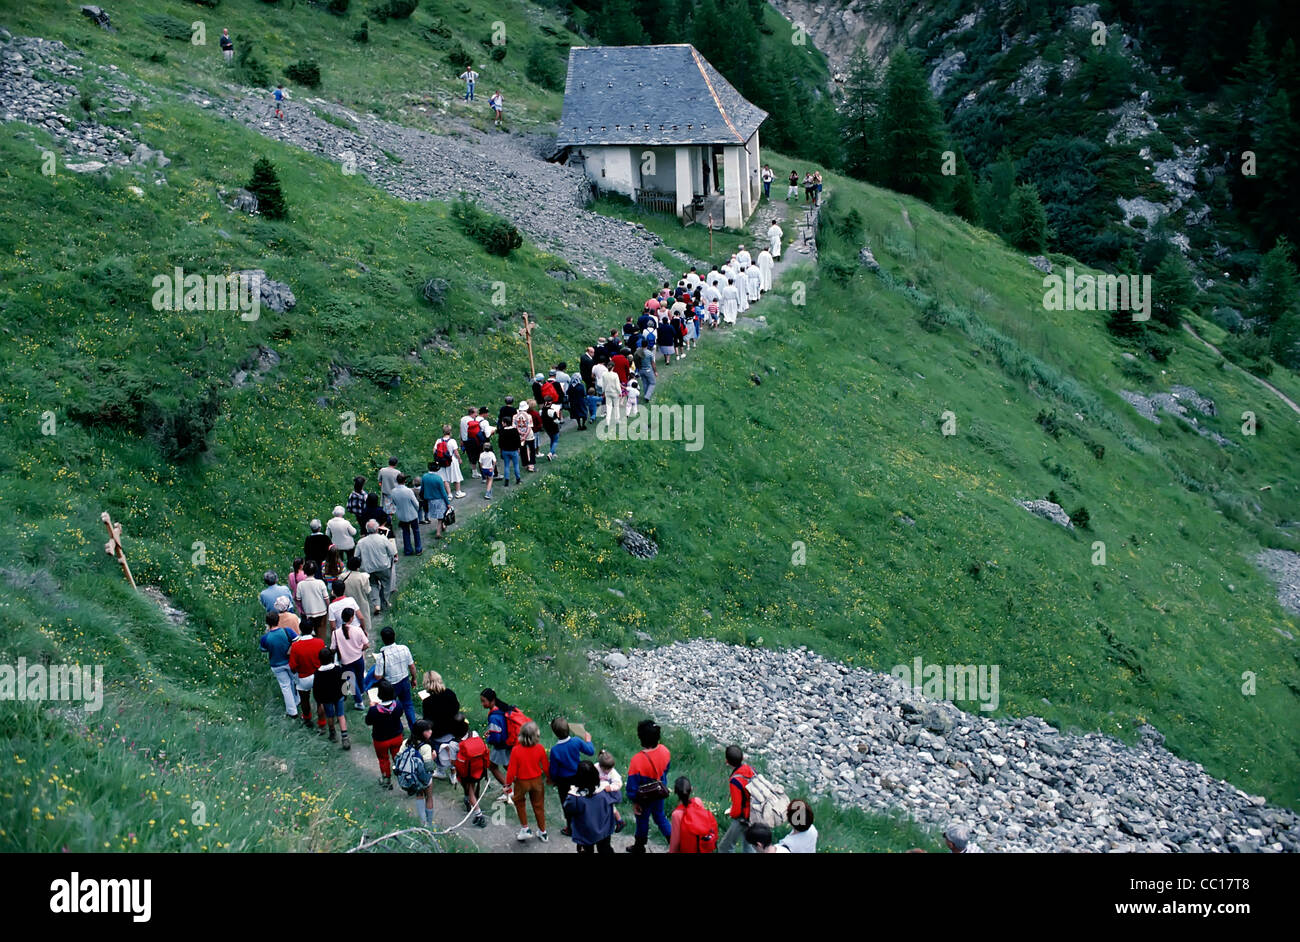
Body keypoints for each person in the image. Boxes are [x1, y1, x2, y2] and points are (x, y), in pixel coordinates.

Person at [625, 719, 671, 853]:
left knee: (642, 820)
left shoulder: (637, 760)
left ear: (641, 738)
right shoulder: (665, 751)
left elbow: (632, 787)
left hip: (644, 797)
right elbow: (666, 770)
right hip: (659, 791)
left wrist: (635, 801)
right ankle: (675, 843)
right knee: (660, 817)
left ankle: (639, 847)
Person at [549, 717, 594, 836]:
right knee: (580, 800)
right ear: (569, 729)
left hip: (563, 782)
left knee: (566, 804)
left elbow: (553, 770)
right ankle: (584, 824)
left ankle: (570, 828)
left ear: (554, 732)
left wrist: (553, 780)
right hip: (578, 777)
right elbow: (590, 751)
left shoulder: (555, 750)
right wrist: (588, 740)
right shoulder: (576, 741)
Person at [506, 721, 549, 842]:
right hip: (537, 781)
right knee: (539, 806)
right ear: (537, 736)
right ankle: (543, 832)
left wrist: (507, 785)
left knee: (520, 803)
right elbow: (546, 766)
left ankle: (525, 829)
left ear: (521, 735)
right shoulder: (540, 748)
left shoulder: (516, 750)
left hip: (521, 782)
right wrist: (550, 778)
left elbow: (511, 771)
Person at [563, 760, 618, 853]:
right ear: (596, 774)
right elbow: (618, 798)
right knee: (605, 849)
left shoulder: (574, 797)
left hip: (585, 831)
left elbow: (568, 809)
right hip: (604, 828)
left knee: (586, 851)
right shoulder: (606, 788)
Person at [396, 720, 438, 825]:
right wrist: (433, 758)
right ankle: (429, 822)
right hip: (424, 778)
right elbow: (429, 768)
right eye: (427, 730)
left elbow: (397, 758)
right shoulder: (426, 747)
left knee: (419, 795)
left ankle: (422, 822)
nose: (430, 731)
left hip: (412, 777)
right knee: (429, 797)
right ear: (421, 732)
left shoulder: (406, 742)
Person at [450, 714, 489, 827]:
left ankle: (478, 814)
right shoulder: (474, 734)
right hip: (479, 768)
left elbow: (453, 763)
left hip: (465, 772)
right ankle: (470, 799)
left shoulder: (453, 744)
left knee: (469, 789)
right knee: (473, 786)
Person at [365, 680, 405, 790]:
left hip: (381, 739)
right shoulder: (398, 705)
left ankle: (386, 780)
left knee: (383, 759)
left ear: (379, 694)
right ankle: (404, 776)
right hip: (396, 736)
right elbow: (400, 714)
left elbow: (368, 722)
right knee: (398, 757)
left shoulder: (374, 710)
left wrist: (371, 707)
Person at [259, 611, 299, 719]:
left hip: (276, 664)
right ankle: (298, 700)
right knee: (296, 681)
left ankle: (292, 711)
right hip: (290, 662)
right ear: (278, 620)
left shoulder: (265, 638)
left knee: (285, 686)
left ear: (267, 623)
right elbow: (297, 641)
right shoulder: (287, 631)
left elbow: (264, 649)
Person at [376, 626, 417, 730]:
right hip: (404, 680)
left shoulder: (382, 656)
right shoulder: (404, 648)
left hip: (390, 686)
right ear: (394, 636)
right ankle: (414, 729)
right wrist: (414, 678)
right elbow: (412, 666)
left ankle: (398, 728)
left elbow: (378, 676)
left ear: (383, 639)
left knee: (391, 707)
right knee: (408, 705)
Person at [287, 620, 326, 731]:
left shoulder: (295, 646)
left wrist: (296, 673)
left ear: (300, 630)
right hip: (318, 675)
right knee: (320, 701)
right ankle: (322, 723)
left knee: (305, 700)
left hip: (304, 677)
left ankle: (307, 718)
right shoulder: (319, 642)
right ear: (312, 629)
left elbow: (292, 665)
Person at [420, 670, 460, 777]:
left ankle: (441, 771)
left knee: (439, 753)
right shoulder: (450, 693)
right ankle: (453, 771)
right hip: (452, 730)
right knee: (452, 751)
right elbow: (456, 709)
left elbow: (427, 721)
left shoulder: (427, 702)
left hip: (437, 734)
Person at [330, 604, 369, 712]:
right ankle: (361, 693)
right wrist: (360, 649)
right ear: (352, 618)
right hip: (358, 658)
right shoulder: (357, 630)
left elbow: (332, 648)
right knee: (360, 677)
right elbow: (367, 644)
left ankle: (359, 701)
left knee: (351, 680)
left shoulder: (336, 633)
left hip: (345, 661)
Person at [718, 744, 756, 853]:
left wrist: (731, 814)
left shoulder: (735, 781)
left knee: (725, 847)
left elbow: (737, 809)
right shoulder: (751, 770)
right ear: (743, 758)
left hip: (743, 818)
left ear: (727, 761)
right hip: (755, 814)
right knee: (749, 847)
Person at [668, 775, 718, 853]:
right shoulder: (698, 802)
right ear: (691, 789)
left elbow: (675, 841)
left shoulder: (676, 814)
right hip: (703, 849)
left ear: (675, 792)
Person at [356, 520, 396, 614]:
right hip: (383, 566)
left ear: (367, 530)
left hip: (369, 568)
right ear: (377, 529)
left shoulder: (361, 542)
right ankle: (385, 603)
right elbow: (392, 552)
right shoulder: (383, 539)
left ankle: (376, 604)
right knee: (386, 585)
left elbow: (356, 556)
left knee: (373, 585)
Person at [313, 648, 350, 748]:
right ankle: (345, 738)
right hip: (338, 696)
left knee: (330, 716)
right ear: (332, 658)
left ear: (319, 659)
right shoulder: (338, 669)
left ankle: (332, 733)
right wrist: (345, 694)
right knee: (341, 715)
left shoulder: (318, 673)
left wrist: (318, 700)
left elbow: (316, 688)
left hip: (326, 699)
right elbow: (344, 682)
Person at [296, 560, 330, 641]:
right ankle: (321, 647)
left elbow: (298, 599)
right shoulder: (320, 583)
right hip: (322, 612)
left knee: (309, 633)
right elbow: (326, 598)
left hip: (308, 613)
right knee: (321, 632)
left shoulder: (300, 585)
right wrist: (329, 608)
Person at [336, 557, 371, 635]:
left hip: (346, 604)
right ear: (358, 566)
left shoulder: (342, 576)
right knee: (362, 623)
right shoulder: (363, 577)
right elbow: (367, 591)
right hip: (361, 603)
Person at [390, 473, 423, 557]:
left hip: (401, 515)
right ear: (405, 481)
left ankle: (408, 550)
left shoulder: (393, 492)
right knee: (416, 531)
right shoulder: (408, 491)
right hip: (412, 514)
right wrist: (416, 509)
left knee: (405, 532)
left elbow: (393, 503)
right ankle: (418, 549)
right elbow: (416, 503)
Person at [596, 750, 625, 833]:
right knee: (602, 806)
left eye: (609, 769)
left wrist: (611, 787)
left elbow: (619, 783)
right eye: (605, 769)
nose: (607, 771)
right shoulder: (596, 767)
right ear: (600, 766)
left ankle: (619, 821)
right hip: (600, 790)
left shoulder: (613, 773)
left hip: (609, 793)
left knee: (610, 807)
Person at [433, 426, 466, 498]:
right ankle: (458, 492)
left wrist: (438, 458)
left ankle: (449, 494)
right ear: (450, 432)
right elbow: (456, 452)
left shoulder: (438, 440)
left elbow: (434, 451)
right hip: (451, 460)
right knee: (456, 476)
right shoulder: (452, 441)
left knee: (445, 478)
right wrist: (459, 459)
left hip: (441, 461)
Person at [497, 397, 522, 486]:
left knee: (506, 465)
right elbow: (518, 440)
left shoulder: (502, 431)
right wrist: (518, 448)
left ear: (504, 423)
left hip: (505, 450)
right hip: (514, 450)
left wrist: (501, 450)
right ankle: (518, 479)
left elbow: (500, 442)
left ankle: (506, 480)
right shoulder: (514, 430)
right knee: (516, 465)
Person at [422, 461, 450, 538]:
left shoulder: (424, 477)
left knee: (439, 515)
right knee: (441, 516)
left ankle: (443, 526)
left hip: (429, 500)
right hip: (439, 499)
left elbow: (423, 489)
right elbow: (443, 492)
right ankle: (438, 532)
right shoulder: (438, 478)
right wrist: (448, 502)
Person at [513, 404, 536, 472]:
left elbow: (515, 426)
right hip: (529, 435)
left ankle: (525, 464)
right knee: (532, 449)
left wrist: (520, 433)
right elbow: (529, 427)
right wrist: (525, 435)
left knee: (522, 449)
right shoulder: (528, 416)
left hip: (520, 435)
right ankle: (531, 465)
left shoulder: (515, 416)